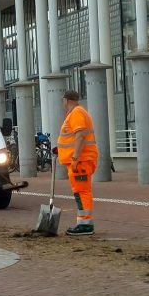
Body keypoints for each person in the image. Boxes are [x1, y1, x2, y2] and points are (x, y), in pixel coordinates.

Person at [56, 90, 98, 236]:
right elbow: (74, 138)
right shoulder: (78, 112)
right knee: (80, 192)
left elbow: (80, 136)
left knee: (82, 192)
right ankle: (84, 223)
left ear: (66, 100)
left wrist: (74, 158)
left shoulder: (76, 113)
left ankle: (85, 225)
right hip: (81, 160)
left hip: (80, 162)